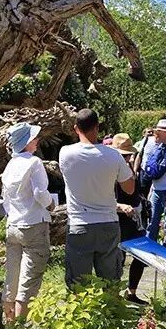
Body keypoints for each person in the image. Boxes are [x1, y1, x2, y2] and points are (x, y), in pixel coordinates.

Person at [59, 108, 134, 286]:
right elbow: (130, 188)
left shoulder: (65, 153)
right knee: (110, 282)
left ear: (76, 128)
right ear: (97, 127)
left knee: (78, 284)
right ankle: (110, 304)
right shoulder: (114, 155)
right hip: (107, 222)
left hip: (79, 223)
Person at [1, 123, 54, 322]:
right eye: (33, 138)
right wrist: (51, 204)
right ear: (26, 142)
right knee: (29, 281)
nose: (37, 140)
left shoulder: (10, 165)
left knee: (11, 277)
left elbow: (6, 199)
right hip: (33, 224)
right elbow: (40, 193)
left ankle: (9, 323)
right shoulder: (34, 162)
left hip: (13, 225)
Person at [110, 133, 148, 305]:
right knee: (118, 259)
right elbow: (105, 198)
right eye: (124, 155)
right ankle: (114, 295)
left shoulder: (129, 167)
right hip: (117, 218)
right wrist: (120, 206)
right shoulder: (109, 170)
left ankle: (132, 292)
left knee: (141, 256)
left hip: (134, 218)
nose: (127, 158)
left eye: (128, 155)